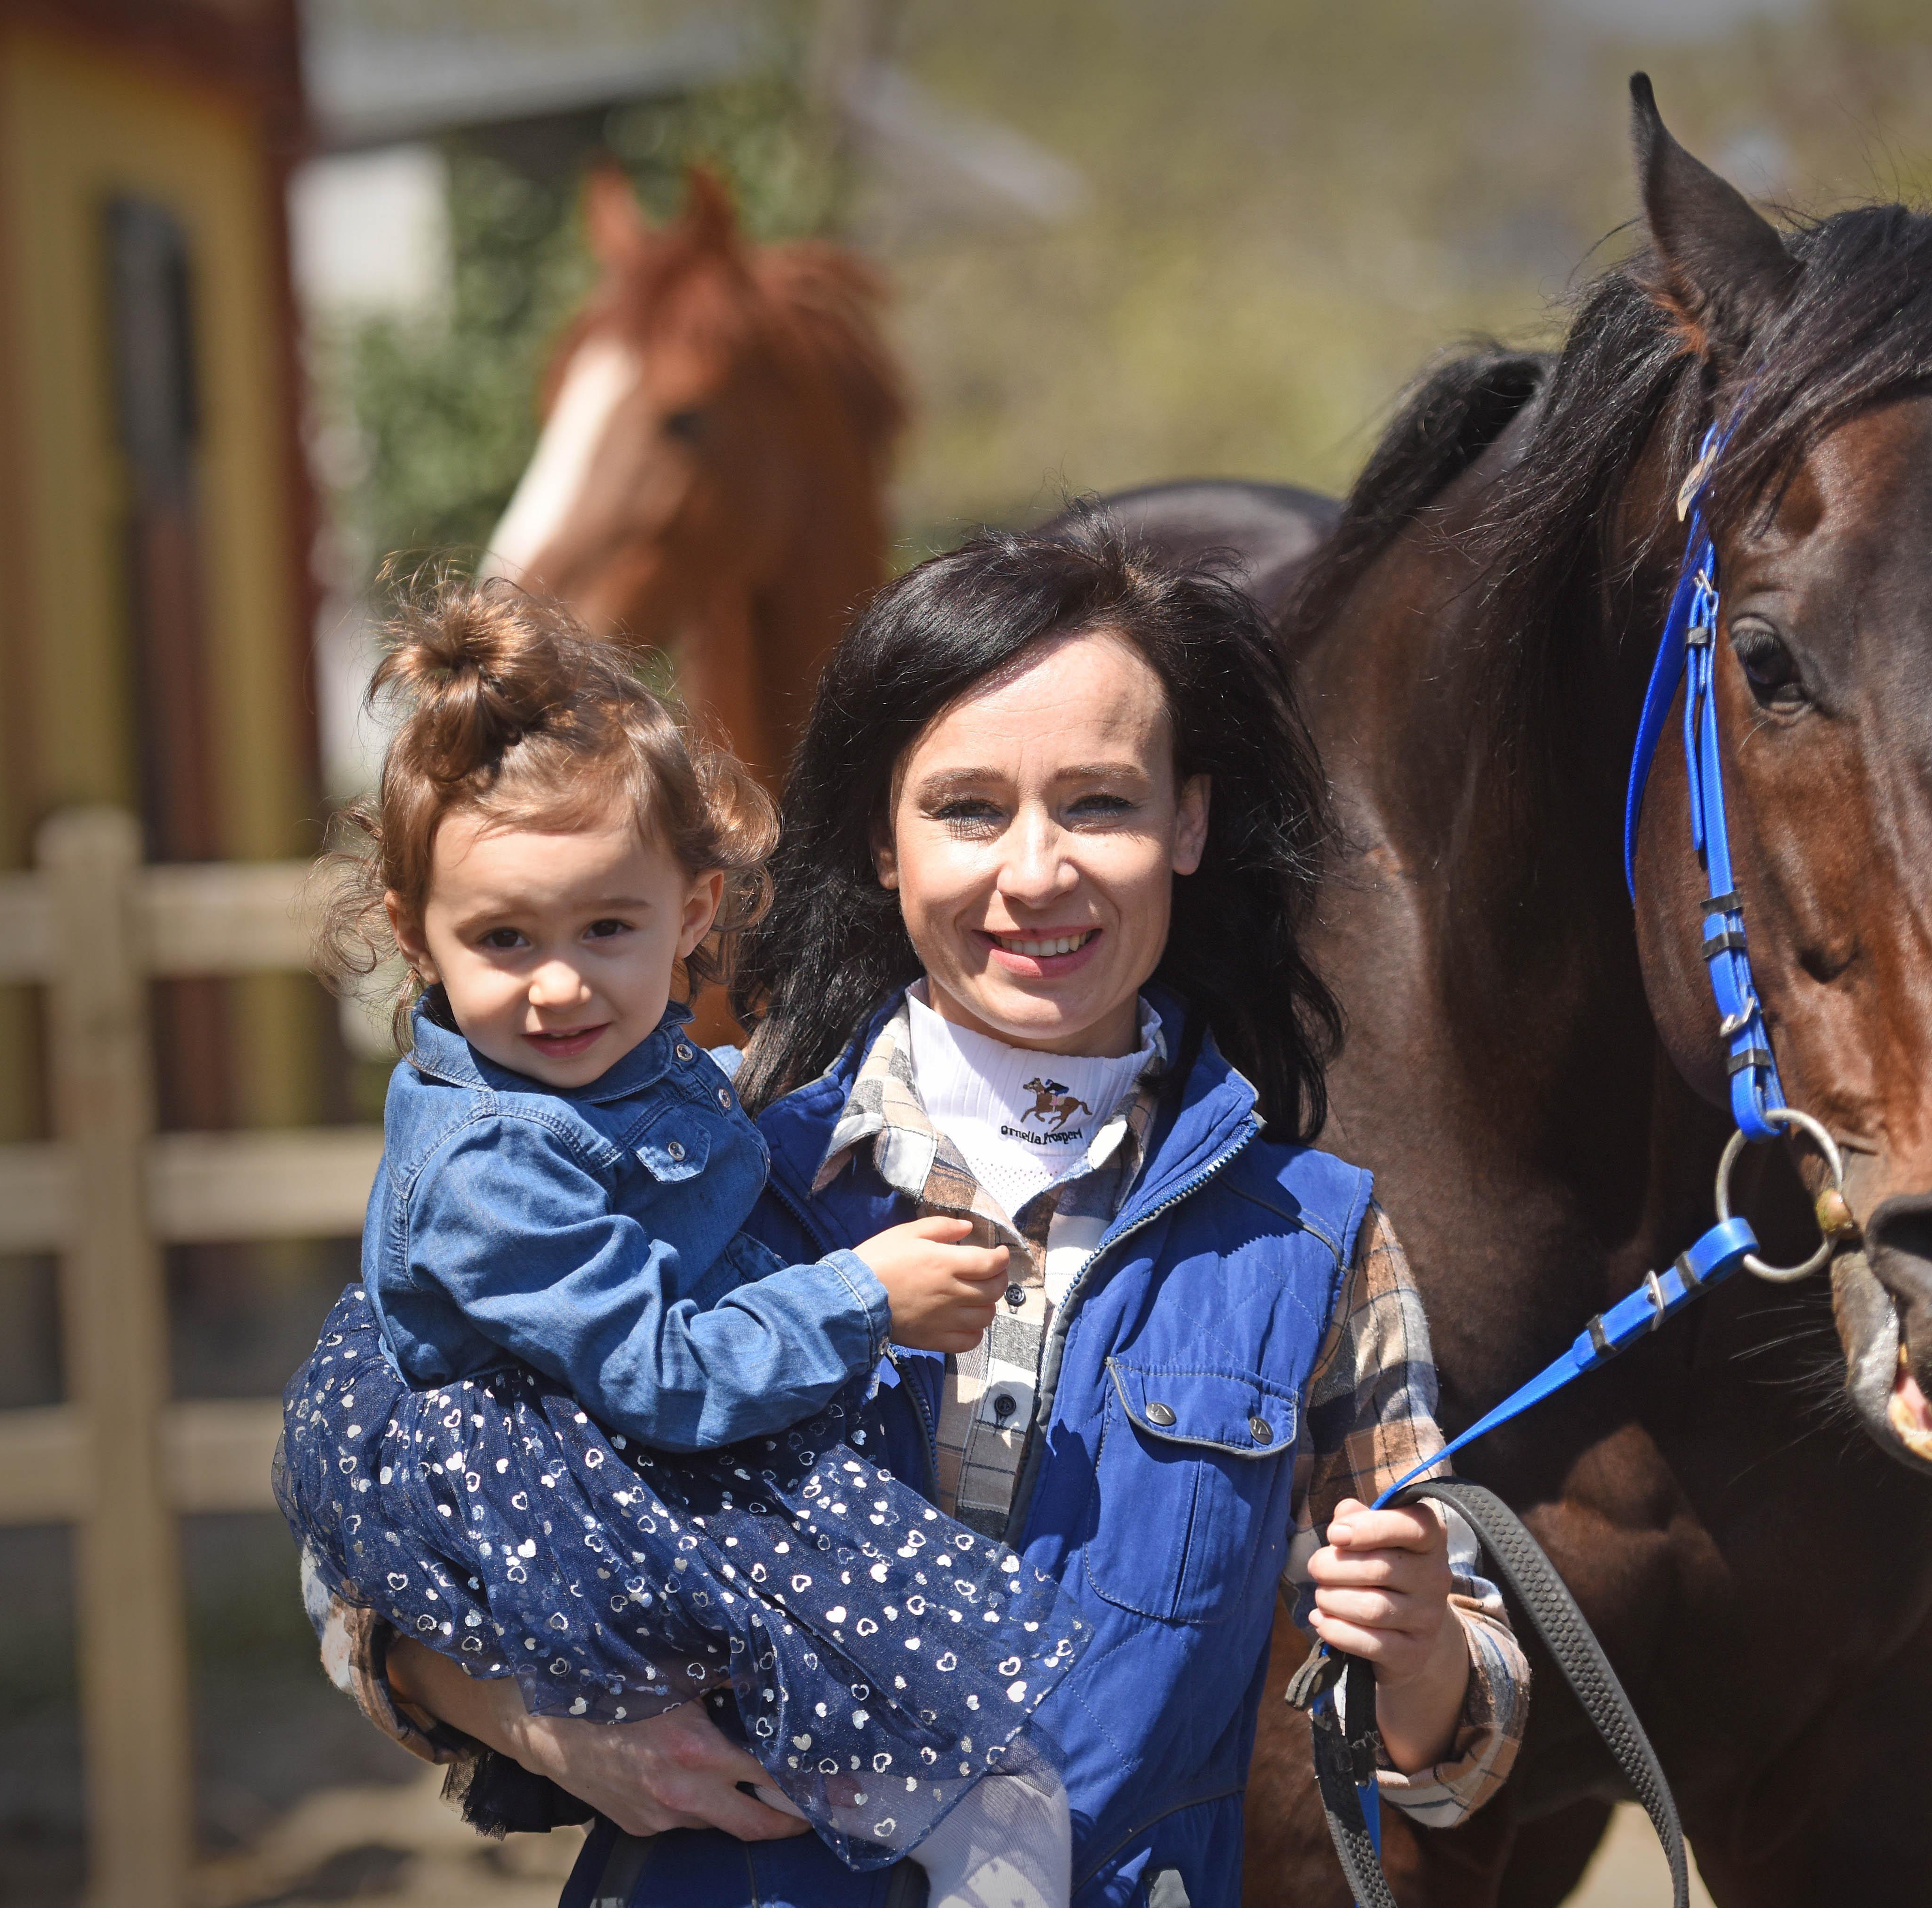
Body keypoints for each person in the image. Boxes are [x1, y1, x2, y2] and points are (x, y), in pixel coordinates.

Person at [306, 522, 1530, 1908]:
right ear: (882, 842)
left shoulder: (1312, 1238)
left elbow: (1459, 1747)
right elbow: (364, 1570)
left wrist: (1423, 1648)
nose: (1034, 871)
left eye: (1099, 804)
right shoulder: (672, 1159)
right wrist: (550, 1732)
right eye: (966, 808)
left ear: (1187, 822)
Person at [276, 584, 1086, 1906]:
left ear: (695, 910)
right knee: (983, 1797)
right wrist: (859, 1296)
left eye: (608, 927)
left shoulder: (611, 1075)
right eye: (501, 939)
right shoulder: (491, 1166)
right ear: (410, 925)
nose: (559, 985)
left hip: (616, 1427)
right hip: (593, 1459)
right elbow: (657, 1372)